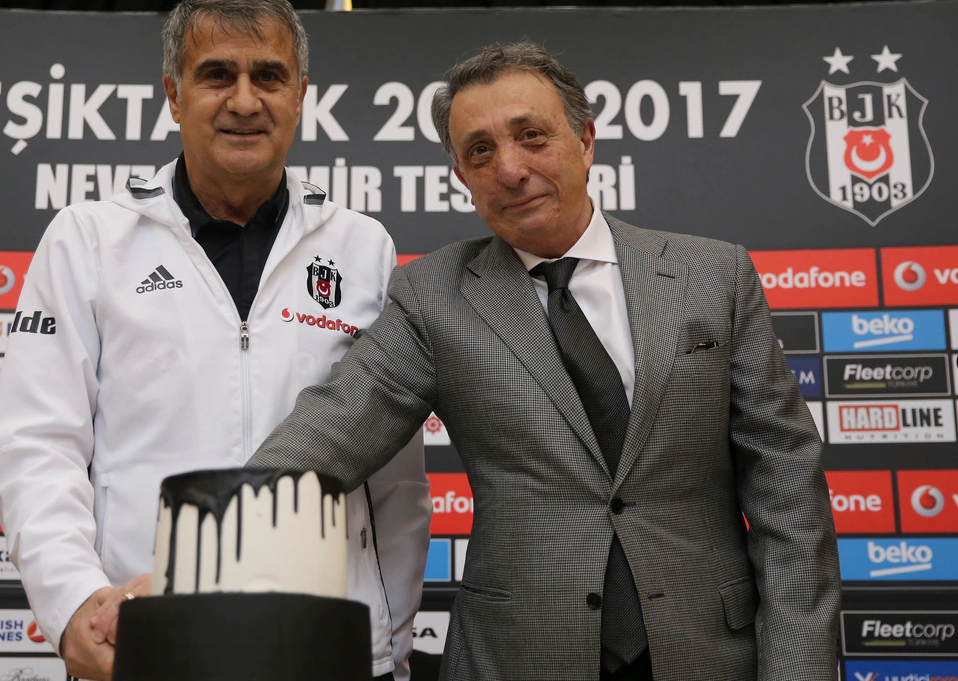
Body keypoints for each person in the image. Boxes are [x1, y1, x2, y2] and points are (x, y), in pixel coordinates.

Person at [249, 42, 841, 681]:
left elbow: (788, 494)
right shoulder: (433, 296)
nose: (509, 169)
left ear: (585, 141)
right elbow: (329, 432)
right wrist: (199, 537)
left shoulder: (713, 275)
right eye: (480, 151)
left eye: (531, 136)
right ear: (461, 178)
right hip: (518, 656)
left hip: (710, 655)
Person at [0, 0, 430, 681]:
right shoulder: (88, 239)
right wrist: (75, 604)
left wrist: (385, 644)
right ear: (174, 94)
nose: (245, 102)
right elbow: (37, 445)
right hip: (144, 644)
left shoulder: (361, 246)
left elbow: (396, 481)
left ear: (301, 95)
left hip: (328, 652)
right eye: (217, 75)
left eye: (269, 77)